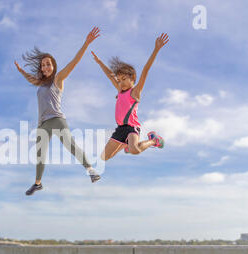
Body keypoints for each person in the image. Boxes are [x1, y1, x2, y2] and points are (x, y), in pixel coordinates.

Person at [15, 27, 102, 196]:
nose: (46, 66)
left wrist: (86, 43)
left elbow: (73, 62)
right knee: (40, 155)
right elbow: (31, 79)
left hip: (57, 119)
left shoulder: (58, 78)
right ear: (41, 68)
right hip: (42, 124)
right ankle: (37, 184)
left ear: (53, 66)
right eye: (43, 64)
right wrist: (21, 71)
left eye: (48, 63)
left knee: (71, 145)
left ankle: (91, 170)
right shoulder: (40, 83)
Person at [91, 33, 169, 161]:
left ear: (132, 79)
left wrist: (156, 50)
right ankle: (126, 144)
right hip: (120, 129)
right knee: (104, 157)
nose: (120, 82)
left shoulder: (135, 92)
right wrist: (100, 62)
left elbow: (145, 71)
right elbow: (110, 75)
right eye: (119, 80)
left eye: (124, 79)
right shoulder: (119, 90)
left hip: (132, 127)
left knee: (134, 150)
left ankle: (154, 140)